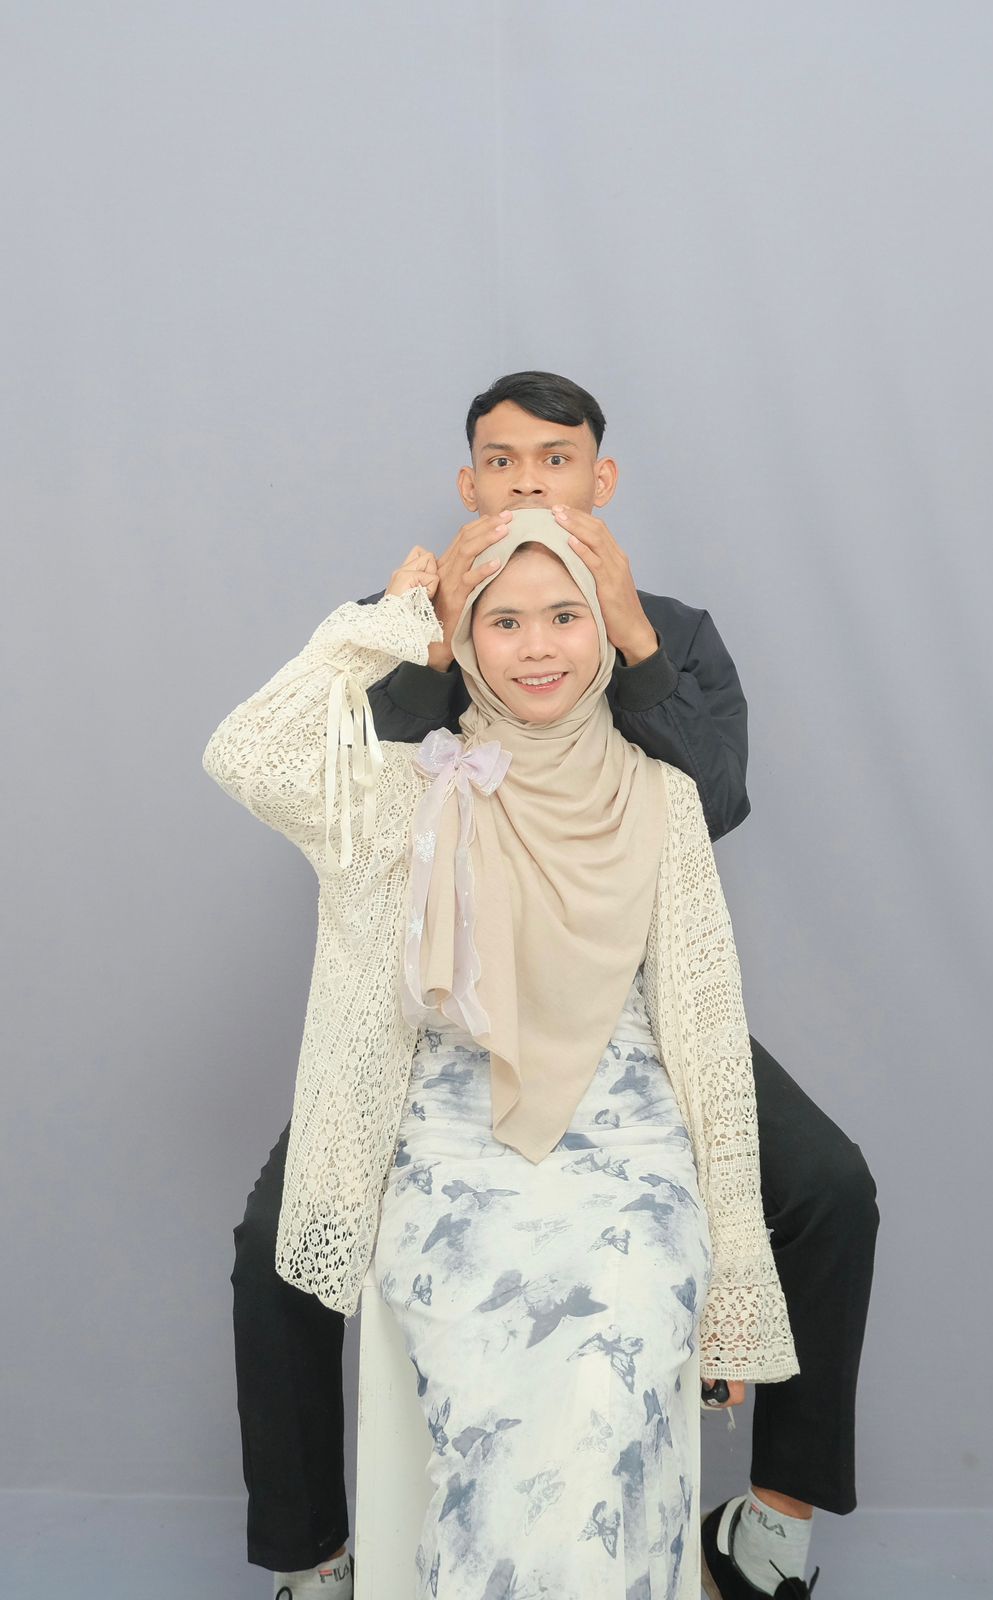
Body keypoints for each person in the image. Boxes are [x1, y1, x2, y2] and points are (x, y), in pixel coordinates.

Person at [207, 372, 879, 1599]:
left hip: (631, 996)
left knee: (828, 1188)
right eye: (501, 462)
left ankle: (768, 1522)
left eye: (554, 460)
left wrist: (624, 631)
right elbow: (337, 781)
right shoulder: (415, 617)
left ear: (598, 479)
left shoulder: (663, 630)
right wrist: (416, 629)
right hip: (440, 1008)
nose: (528, 482)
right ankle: (313, 1557)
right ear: (467, 483)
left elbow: (711, 803)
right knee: (277, 1242)